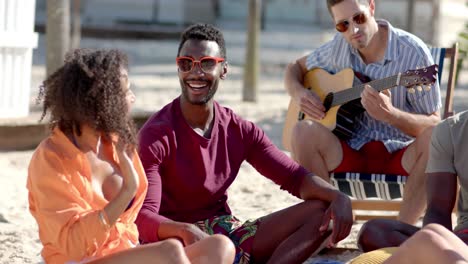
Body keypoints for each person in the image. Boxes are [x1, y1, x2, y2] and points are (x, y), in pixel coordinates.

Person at [135, 23, 353, 264]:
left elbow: (294, 177)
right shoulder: (156, 135)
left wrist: (338, 197)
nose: (195, 73)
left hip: (227, 233)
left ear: (224, 69)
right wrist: (185, 230)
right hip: (176, 244)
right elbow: (143, 217)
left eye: (207, 63)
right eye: (186, 63)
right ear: (178, 68)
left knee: (321, 211)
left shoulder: (239, 129)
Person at [27, 48, 235, 264]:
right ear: (101, 101)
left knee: (219, 246)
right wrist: (127, 191)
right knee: (169, 252)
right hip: (77, 260)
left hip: (125, 253)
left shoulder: (117, 143)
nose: (133, 99)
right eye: (126, 93)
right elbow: (73, 246)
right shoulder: (51, 159)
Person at [283, 0, 441, 225]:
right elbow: (294, 68)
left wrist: (392, 115)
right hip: (351, 151)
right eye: (343, 25)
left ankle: (399, 231)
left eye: (359, 18)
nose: (353, 30)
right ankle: (328, 226)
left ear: (372, 8)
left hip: (401, 156)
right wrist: (299, 93)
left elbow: (435, 124)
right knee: (301, 131)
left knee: (436, 137)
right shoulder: (339, 46)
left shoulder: (413, 53)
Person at [357, 110, 468, 252]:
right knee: (373, 232)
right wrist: (439, 248)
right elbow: (438, 211)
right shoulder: (450, 130)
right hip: (462, 239)